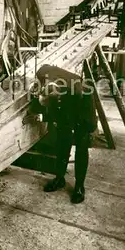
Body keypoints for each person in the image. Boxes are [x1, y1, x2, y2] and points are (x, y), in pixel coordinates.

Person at [28, 63, 97, 204]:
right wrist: (43, 115)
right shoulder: (44, 75)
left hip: (82, 115)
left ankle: (79, 187)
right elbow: (54, 108)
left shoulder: (80, 91)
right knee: (62, 143)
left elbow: (78, 116)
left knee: (81, 147)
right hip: (65, 109)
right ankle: (59, 178)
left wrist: (83, 129)